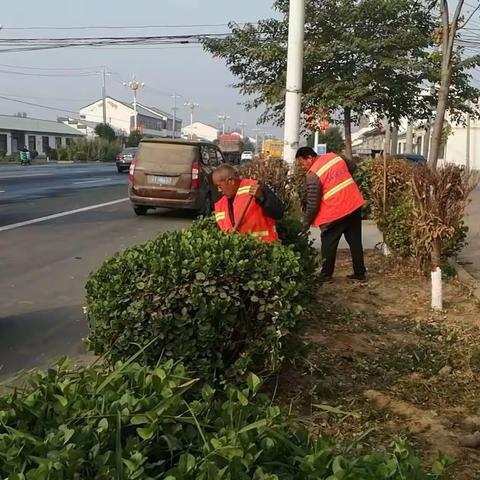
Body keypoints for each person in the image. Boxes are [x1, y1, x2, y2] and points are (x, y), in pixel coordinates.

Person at [295, 147, 366, 281]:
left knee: (328, 244)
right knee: (355, 242)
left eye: (302, 163)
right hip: (353, 203)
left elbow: (313, 203)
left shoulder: (313, 174)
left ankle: (326, 275)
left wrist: (305, 224)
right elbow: (352, 166)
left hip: (335, 211)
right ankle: (360, 273)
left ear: (310, 158)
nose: (302, 167)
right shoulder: (334, 157)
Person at [212, 164, 284, 243]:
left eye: (220, 186)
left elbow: (278, 212)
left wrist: (261, 198)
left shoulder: (256, 188)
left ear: (230, 181)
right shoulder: (220, 206)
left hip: (266, 249)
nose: (219, 190)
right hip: (241, 252)